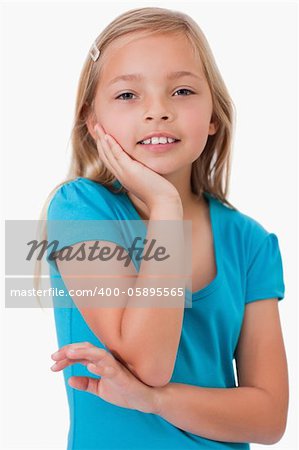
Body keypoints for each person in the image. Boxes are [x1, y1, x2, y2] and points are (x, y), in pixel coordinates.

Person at [45, 6, 288, 450]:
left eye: (181, 91)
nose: (157, 111)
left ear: (213, 116)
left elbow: (269, 418)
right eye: (127, 96)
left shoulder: (250, 241)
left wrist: (153, 401)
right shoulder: (79, 209)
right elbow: (148, 362)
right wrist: (164, 205)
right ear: (92, 123)